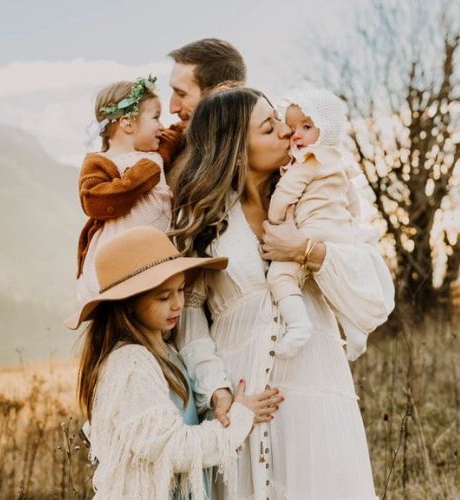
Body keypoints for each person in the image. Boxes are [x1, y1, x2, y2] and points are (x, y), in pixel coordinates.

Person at [171, 87, 395, 499]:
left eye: (283, 122)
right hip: (244, 397)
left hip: (316, 386)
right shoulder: (203, 216)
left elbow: (376, 292)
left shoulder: (320, 192)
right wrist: (217, 390)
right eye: (269, 127)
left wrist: (307, 251)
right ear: (236, 147)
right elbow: (189, 317)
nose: (287, 133)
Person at [66, 226, 284, 499]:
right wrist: (238, 421)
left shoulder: (168, 353)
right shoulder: (130, 364)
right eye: (163, 297)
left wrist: (222, 406)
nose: (178, 304)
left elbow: (182, 424)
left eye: (180, 290)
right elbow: (173, 447)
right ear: (128, 303)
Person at [268, 88, 376, 360]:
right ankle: (355, 331)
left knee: (280, 276)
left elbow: (285, 193)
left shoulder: (309, 161)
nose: (296, 134)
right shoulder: (339, 163)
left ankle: (297, 325)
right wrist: (354, 228)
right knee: (332, 284)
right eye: (292, 127)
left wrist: (275, 218)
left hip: (312, 229)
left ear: (325, 129)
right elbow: (352, 201)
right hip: (339, 231)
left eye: (306, 126)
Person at [75, 76, 183, 304]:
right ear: (127, 123)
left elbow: (176, 134)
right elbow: (94, 200)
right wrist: (141, 174)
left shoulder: (155, 153)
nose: (162, 126)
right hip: (119, 260)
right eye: (155, 117)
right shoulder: (101, 162)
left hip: (152, 258)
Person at [165, 38, 247, 184]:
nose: (173, 108)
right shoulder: (171, 146)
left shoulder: (250, 161)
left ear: (219, 94)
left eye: (182, 94)